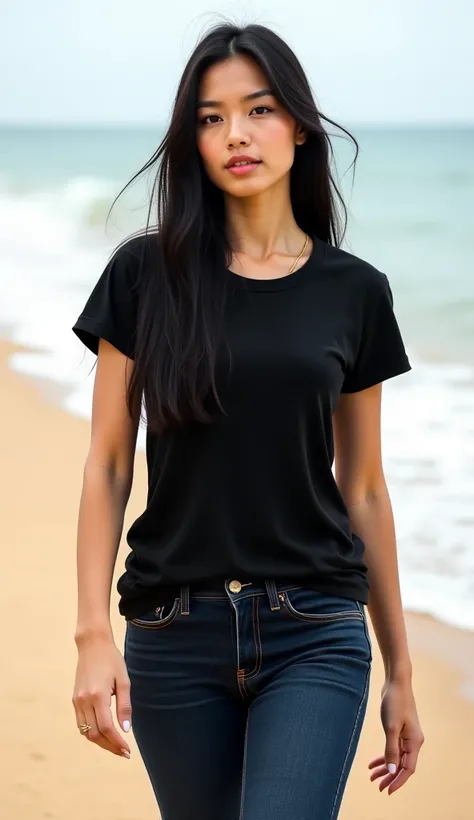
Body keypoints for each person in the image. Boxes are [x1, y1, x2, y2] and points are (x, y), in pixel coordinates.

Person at [71, 20, 424, 820]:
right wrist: (93, 636)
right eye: (210, 116)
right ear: (191, 139)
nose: (236, 134)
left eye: (259, 110)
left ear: (298, 124)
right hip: (171, 631)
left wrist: (401, 670)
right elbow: (108, 465)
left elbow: (362, 486)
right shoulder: (143, 276)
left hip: (316, 628)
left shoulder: (356, 292)